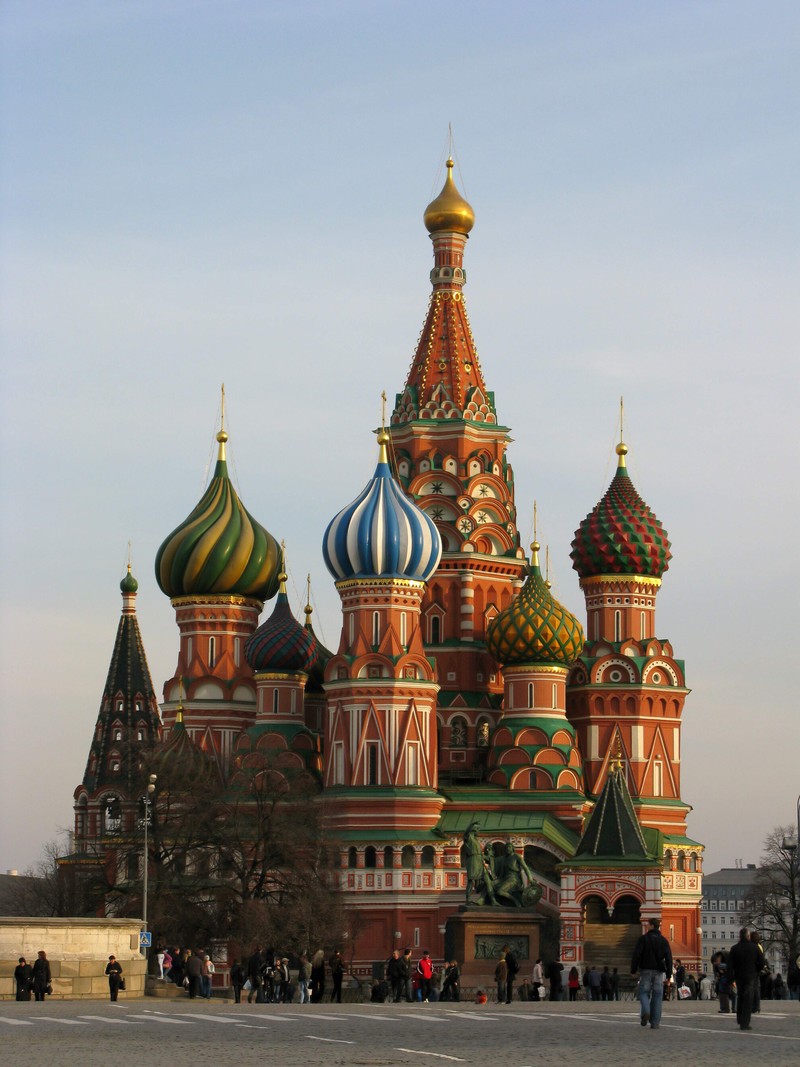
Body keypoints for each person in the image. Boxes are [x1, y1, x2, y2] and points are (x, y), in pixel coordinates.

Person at [631, 917, 672, 1029]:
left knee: (643, 992)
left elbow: (636, 955)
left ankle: (646, 1011)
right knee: (658, 996)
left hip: (645, 970)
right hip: (659, 971)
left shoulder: (643, 939)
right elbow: (669, 958)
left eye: (648, 924)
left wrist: (633, 969)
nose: (647, 926)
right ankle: (655, 1023)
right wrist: (669, 975)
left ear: (652, 926)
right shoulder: (664, 940)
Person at [728, 927, 762, 1031]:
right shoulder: (754, 947)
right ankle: (745, 1022)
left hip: (739, 976)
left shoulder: (734, 948)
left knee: (741, 997)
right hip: (751, 976)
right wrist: (757, 970)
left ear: (739, 936)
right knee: (748, 999)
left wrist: (731, 979)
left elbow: (730, 966)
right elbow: (762, 962)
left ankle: (739, 1019)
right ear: (748, 936)